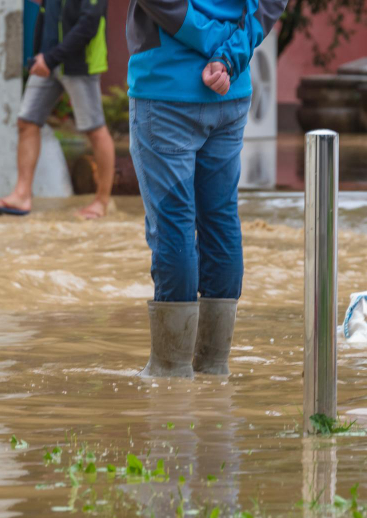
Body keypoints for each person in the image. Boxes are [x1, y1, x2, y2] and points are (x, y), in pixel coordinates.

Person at [128, 0, 287, 378]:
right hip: (229, 89)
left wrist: (215, 45)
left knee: (174, 226)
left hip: (167, 89)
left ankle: (170, 373)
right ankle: (214, 369)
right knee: (220, 219)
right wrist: (229, 55)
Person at [0, 0, 114, 219]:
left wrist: (51, 58)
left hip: (79, 63)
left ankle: (102, 201)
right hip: (47, 62)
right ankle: (22, 195)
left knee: (94, 128)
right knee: (27, 121)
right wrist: (41, 57)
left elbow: (89, 24)